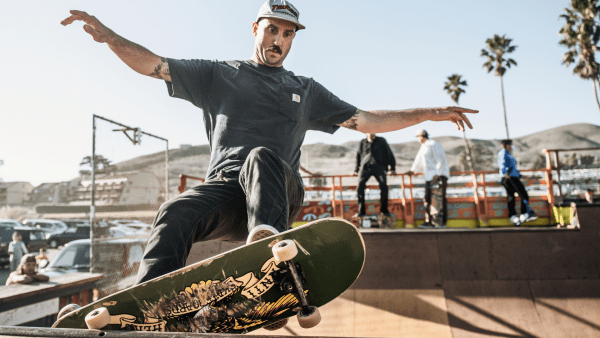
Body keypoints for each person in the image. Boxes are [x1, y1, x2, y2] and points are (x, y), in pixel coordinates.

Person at [61, 1, 477, 291]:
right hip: (227, 194)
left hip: (279, 191)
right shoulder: (218, 75)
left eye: (288, 34)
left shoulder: (305, 89)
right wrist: (110, 36)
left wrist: (427, 112)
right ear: (256, 29)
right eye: (273, 29)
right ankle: (150, 299)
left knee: (261, 158)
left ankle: (272, 257)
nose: (279, 39)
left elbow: (365, 120)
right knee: (174, 210)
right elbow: (155, 65)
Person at [406, 129, 449, 228]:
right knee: (428, 199)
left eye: (417, 136)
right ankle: (429, 221)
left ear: (421, 136)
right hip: (429, 177)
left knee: (437, 200)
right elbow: (419, 161)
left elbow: (441, 159)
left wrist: (438, 174)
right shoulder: (424, 147)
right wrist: (412, 170)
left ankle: (440, 223)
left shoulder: (433, 144)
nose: (417, 139)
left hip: (438, 177)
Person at [353, 133, 396, 217]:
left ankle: (384, 211)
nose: (371, 134)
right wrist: (356, 169)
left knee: (383, 186)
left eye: (372, 132)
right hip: (365, 167)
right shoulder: (363, 142)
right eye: (369, 133)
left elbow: (389, 153)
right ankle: (361, 212)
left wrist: (393, 168)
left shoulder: (381, 141)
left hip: (379, 167)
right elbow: (358, 155)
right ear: (366, 133)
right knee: (360, 186)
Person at [497, 139, 537, 225]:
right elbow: (502, 164)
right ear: (507, 145)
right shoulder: (504, 153)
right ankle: (519, 215)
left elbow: (513, 168)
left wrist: (521, 176)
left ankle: (518, 215)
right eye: (511, 145)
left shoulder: (509, 154)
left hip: (513, 177)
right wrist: (506, 173)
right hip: (509, 178)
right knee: (520, 195)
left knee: (515, 196)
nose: (512, 146)